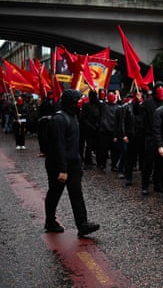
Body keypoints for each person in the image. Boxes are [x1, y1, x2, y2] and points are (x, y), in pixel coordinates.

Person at [44, 89, 100, 237]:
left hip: (73, 164)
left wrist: (78, 161)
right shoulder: (59, 119)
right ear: (71, 102)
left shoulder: (74, 116)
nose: (81, 102)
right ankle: (50, 221)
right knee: (55, 193)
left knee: (76, 194)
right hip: (59, 165)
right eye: (78, 100)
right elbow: (59, 146)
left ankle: (82, 224)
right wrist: (62, 169)